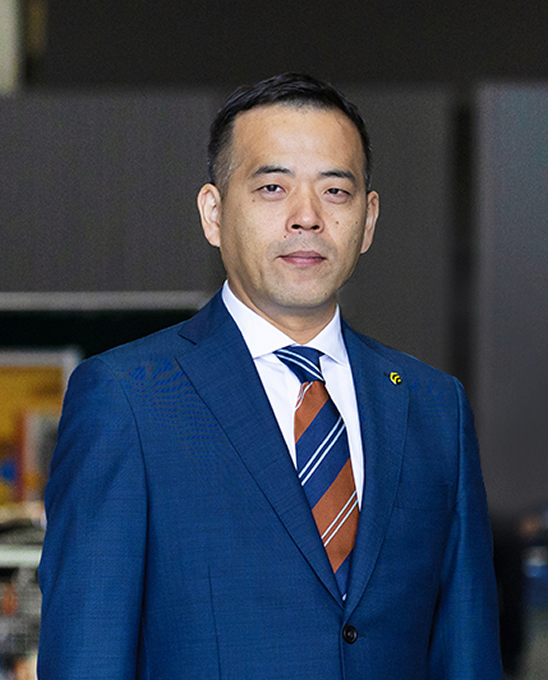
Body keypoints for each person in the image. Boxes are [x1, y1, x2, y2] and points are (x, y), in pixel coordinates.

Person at [38, 73, 503, 679]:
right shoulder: (127, 400)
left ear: (368, 220)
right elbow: (87, 658)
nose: (307, 217)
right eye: (272, 187)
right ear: (213, 213)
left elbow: (466, 652)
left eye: (335, 191)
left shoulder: (433, 406)